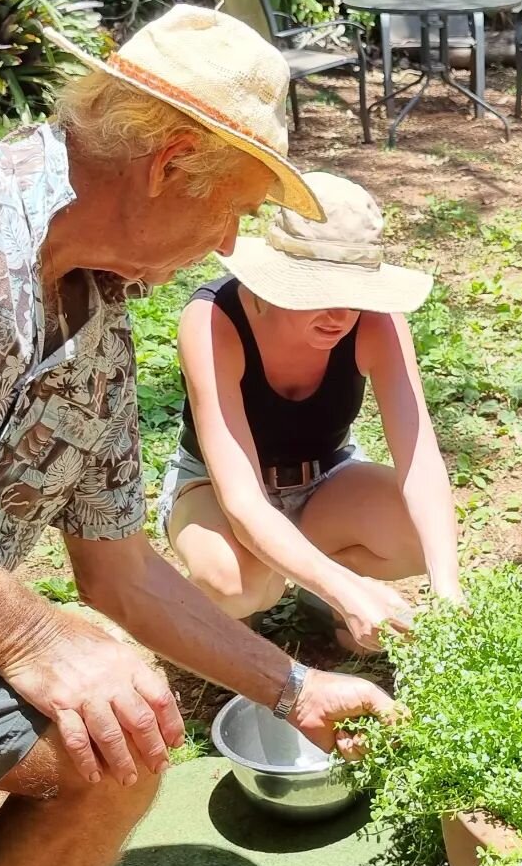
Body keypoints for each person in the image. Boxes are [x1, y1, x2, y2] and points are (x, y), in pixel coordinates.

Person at [0, 6, 397, 866]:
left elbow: (120, 571)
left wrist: (296, 687)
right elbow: (45, 619)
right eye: (234, 208)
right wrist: (27, 631)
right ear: (170, 165)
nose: (232, 240)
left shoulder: (102, 344)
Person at [162, 171, 461, 652]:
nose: (340, 315)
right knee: (236, 582)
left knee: (417, 534)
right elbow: (240, 498)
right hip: (218, 490)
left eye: (355, 295)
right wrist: (349, 588)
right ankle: (248, 606)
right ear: (274, 279)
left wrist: (448, 591)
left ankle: (312, 596)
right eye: (318, 292)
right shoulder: (214, 320)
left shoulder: (378, 324)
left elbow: (420, 460)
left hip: (326, 480)